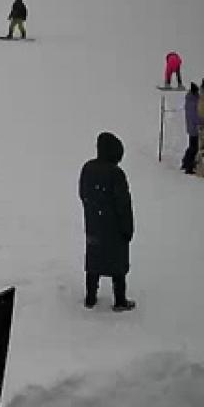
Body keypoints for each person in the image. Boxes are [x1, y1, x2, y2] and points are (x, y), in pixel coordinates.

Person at [79, 132, 135, 312]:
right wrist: (128, 228)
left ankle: (90, 297)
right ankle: (120, 300)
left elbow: (83, 194)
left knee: (94, 260)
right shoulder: (116, 174)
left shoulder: (88, 168)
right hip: (114, 228)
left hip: (94, 224)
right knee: (117, 264)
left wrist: (93, 212)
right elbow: (123, 205)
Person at [183, 83, 202, 174]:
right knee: (194, 148)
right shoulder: (192, 101)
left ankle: (186, 162)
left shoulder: (192, 99)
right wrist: (201, 121)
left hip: (192, 127)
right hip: (194, 128)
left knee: (192, 147)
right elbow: (194, 116)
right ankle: (189, 166)